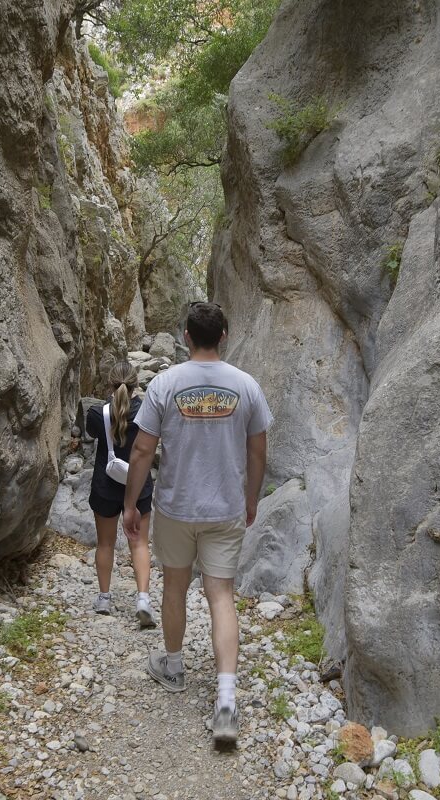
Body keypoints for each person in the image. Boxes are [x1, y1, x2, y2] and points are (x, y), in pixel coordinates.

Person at [122, 302, 272, 748]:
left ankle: (172, 664)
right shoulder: (246, 386)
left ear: (185, 335)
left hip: (175, 509)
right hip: (225, 509)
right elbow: (259, 452)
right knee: (221, 594)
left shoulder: (165, 384)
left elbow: (143, 451)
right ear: (223, 335)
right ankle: (226, 700)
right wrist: (251, 500)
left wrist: (131, 504)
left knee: (174, 586)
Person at [85, 360, 157, 628]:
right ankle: (142, 600)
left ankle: (104, 598)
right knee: (139, 543)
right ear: (137, 385)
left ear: (109, 384)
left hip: (105, 485)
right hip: (138, 488)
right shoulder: (147, 413)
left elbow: (93, 435)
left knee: (105, 544)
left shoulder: (96, 413)